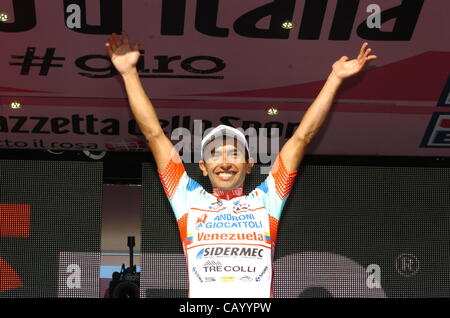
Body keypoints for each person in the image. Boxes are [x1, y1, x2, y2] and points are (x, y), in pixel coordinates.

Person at [106, 33, 377, 298]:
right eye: (216, 154)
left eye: (234, 153)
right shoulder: (187, 198)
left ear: (249, 165)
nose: (224, 162)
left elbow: (302, 137)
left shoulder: (268, 198)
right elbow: (153, 134)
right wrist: (129, 74)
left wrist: (335, 78)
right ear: (203, 166)